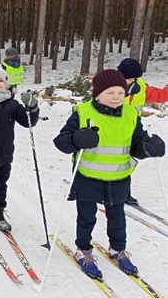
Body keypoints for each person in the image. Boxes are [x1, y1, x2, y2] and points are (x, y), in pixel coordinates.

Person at [53, 69, 165, 279]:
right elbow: (61, 142)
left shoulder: (131, 114)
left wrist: (149, 148)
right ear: (97, 94)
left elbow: (137, 145)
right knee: (86, 218)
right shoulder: (83, 112)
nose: (116, 97)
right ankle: (83, 251)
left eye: (120, 93)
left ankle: (118, 249)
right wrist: (77, 139)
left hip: (119, 178)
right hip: (88, 177)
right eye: (110, 92)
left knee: (117, 218)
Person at [0, 64, 40, 232]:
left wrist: (32, 108)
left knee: (1, 185)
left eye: (0, 81)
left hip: (4, 155)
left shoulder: (13, 105)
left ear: (7, 84)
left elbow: (28, 123)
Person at [116, 58, 168, 205]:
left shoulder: (140, 87)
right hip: (110, 131)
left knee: (126, 164)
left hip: (131, 131)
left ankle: (124, 193)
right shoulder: (110, 85)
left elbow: (159, 95)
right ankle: (99, 193)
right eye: (127, 78)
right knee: (108, 164)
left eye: (133, 78)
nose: (130, 81)